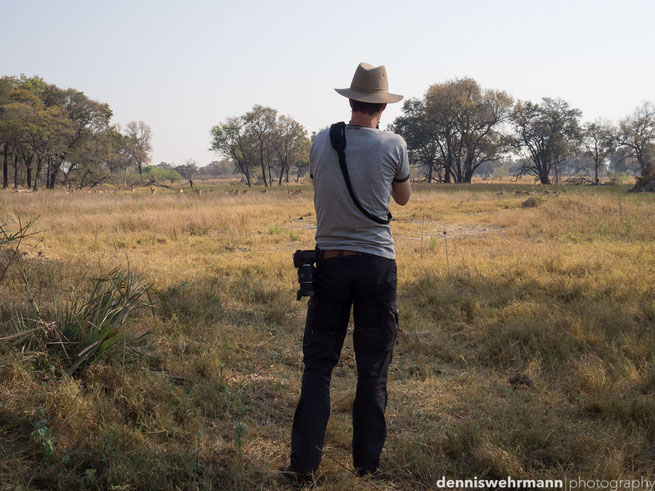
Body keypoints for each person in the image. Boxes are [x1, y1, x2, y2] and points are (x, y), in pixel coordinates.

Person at [282, 62, 411, 483]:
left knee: (318, 366)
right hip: (376, 265)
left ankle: (303, 467)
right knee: (373, 368)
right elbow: (404, 198)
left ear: (351, 100)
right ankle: (367, 467)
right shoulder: (394, 144)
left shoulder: (321, 141)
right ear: (381, 106)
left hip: (331, 263)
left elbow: (322, 184)